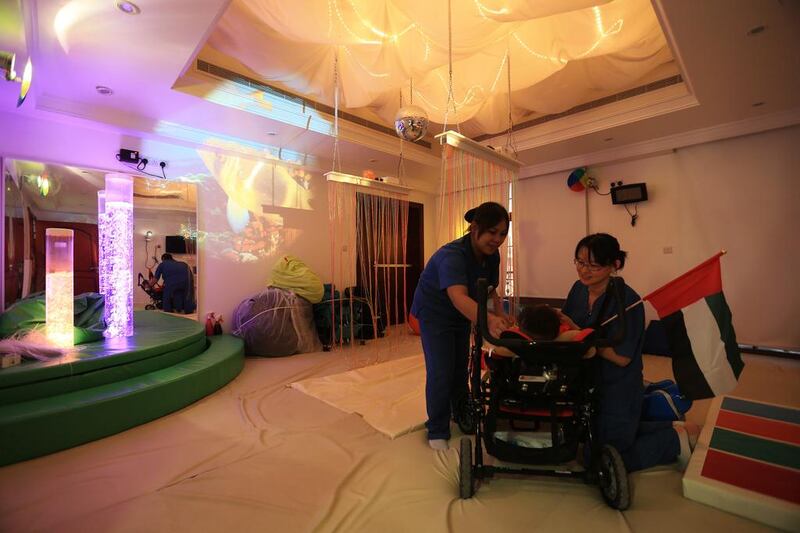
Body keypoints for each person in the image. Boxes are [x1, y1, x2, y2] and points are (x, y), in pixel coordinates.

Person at [558, 233, 697, 472]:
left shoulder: (628, 302)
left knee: (600, 464)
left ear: (615, 265)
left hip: (616, 388)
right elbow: (573, 326)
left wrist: (584, 341)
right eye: (580, 262)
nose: (584, 271)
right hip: (584, 383)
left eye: (594, 265)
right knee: (580, 441)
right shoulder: (578, 290)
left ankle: (673, 440)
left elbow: (621, 358)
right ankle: (661, 426)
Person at [411, 201, 513, 450]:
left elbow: (491, 289)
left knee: (460, 366)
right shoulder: (452, 255)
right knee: (441, 370)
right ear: (475, 228)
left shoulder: (492, 254)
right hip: (435, 313)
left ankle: (460, 411)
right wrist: (488, 319)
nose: (497, 239)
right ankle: (437, 428)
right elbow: (458, 297)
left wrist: (502, 315)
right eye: (492, 232)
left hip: (462, 313)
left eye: (502, 234)